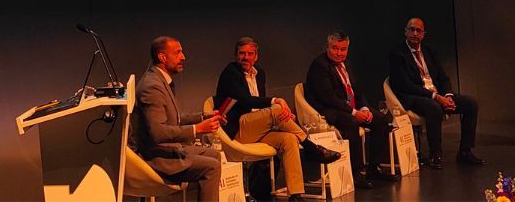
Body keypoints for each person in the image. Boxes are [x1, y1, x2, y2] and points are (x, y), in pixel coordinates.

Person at [214, 36, 340, 201]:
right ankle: (310, 146)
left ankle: (295, 194)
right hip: (239, 129)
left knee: (289, 139)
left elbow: (261, 107)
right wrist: (276, 102)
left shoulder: (260, 74)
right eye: (241, 53)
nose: (245, 57)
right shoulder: (230, 73)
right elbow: (245, 99)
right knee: (277, 108)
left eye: (249, 54)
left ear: (256, 56)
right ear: (236, 55)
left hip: (257, 128)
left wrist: (281, 118)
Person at [130, 36, 226, 201]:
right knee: (212, 167)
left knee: (215, 155)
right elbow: (158, 132)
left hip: (166, 148)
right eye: (178, 53)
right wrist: (198, 129)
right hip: (156, 157)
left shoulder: (160, 80)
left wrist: (202, 116)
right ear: (162, 57)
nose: (183, 57)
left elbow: (173, 119)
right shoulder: (152, 86)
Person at [304, 31, 397, 189]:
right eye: (335, 48)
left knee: (381, 119)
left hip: (349, 107)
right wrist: (354, 112)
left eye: (343, 49)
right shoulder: (319, 65)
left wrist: (365, 108)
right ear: (327, 47)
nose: (339, 53)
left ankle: (373, 167)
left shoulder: (346, 64)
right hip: (330, 110)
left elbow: (357, 91)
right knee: (351, 123)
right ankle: (355, 172)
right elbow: (329, 98)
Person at [388, 17, 484, 168]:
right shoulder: (397, 54)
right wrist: (436, 97)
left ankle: (465, 152)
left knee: (470, 104)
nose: (414, 33)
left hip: (437, 95)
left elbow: (443, 77)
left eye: (418, 30)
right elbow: (405, 85)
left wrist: (448, 96)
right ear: (405, 32)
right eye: (411, 30)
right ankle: (435, 154)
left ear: (423, 34)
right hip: (414, 97)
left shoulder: (429, 51)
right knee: (434, 107)